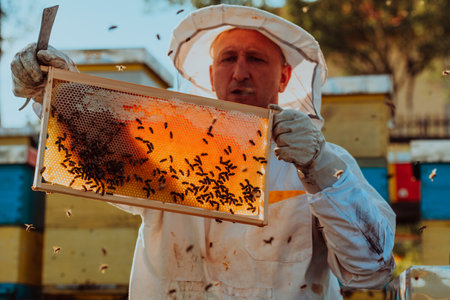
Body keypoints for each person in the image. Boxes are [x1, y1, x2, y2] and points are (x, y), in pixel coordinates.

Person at [11, 4, 396, 299]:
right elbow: (98, 151)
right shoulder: (166, 145)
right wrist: (56, 96)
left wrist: (320, 167)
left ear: (284, 76)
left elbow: (369, 270)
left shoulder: (329, 163)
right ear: (212, 74)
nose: (240, 72)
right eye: (228, 58)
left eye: (256, 59)